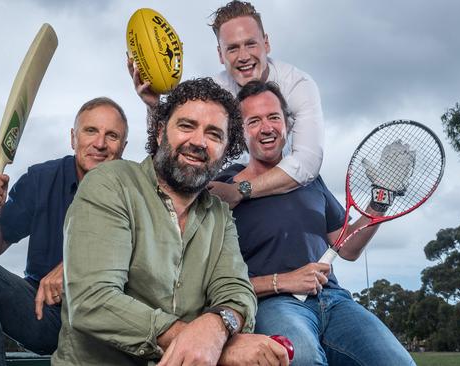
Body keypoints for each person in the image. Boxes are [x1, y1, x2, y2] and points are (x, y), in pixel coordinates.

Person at [52, 78, 289, 366]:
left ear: (226, 150)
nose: (199, 142)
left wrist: (217, 327)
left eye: (214, 134)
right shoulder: (111, 183)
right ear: (162, 131)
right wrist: (204, 344)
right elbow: (93, 301)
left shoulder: (219, 214)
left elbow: (236, 291)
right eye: (187, 126)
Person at [216, 80, 415, 365]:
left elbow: (347, 248)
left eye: (274, 117)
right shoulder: (223, 188)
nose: (267, 127)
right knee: (303, 360)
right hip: (273, 304)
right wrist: (283, 282)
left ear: (288, 124)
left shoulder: (309, 179)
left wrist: (380, 203)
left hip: (334, 300)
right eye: (254, 121)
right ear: (240, 131)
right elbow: (213, 280)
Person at [0, 97, 129, 366]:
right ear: (73, 137)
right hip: (44, 314)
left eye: (111, 135)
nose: (100, 144)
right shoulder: (42, 178)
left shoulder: (136, 188)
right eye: (90, 131)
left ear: (123, 147)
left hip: (108, 323)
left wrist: (76, 268)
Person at [130, 0, 325, 208]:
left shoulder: (298, 85)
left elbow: (308, 161)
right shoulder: (215, 90)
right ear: (220, 55)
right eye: (232, 48)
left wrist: (240, 190)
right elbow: (174, 144)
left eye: (251, 44)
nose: (243, 56)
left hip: (287, 188)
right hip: (226, 193)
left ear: (266, 43)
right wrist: (153, 106)